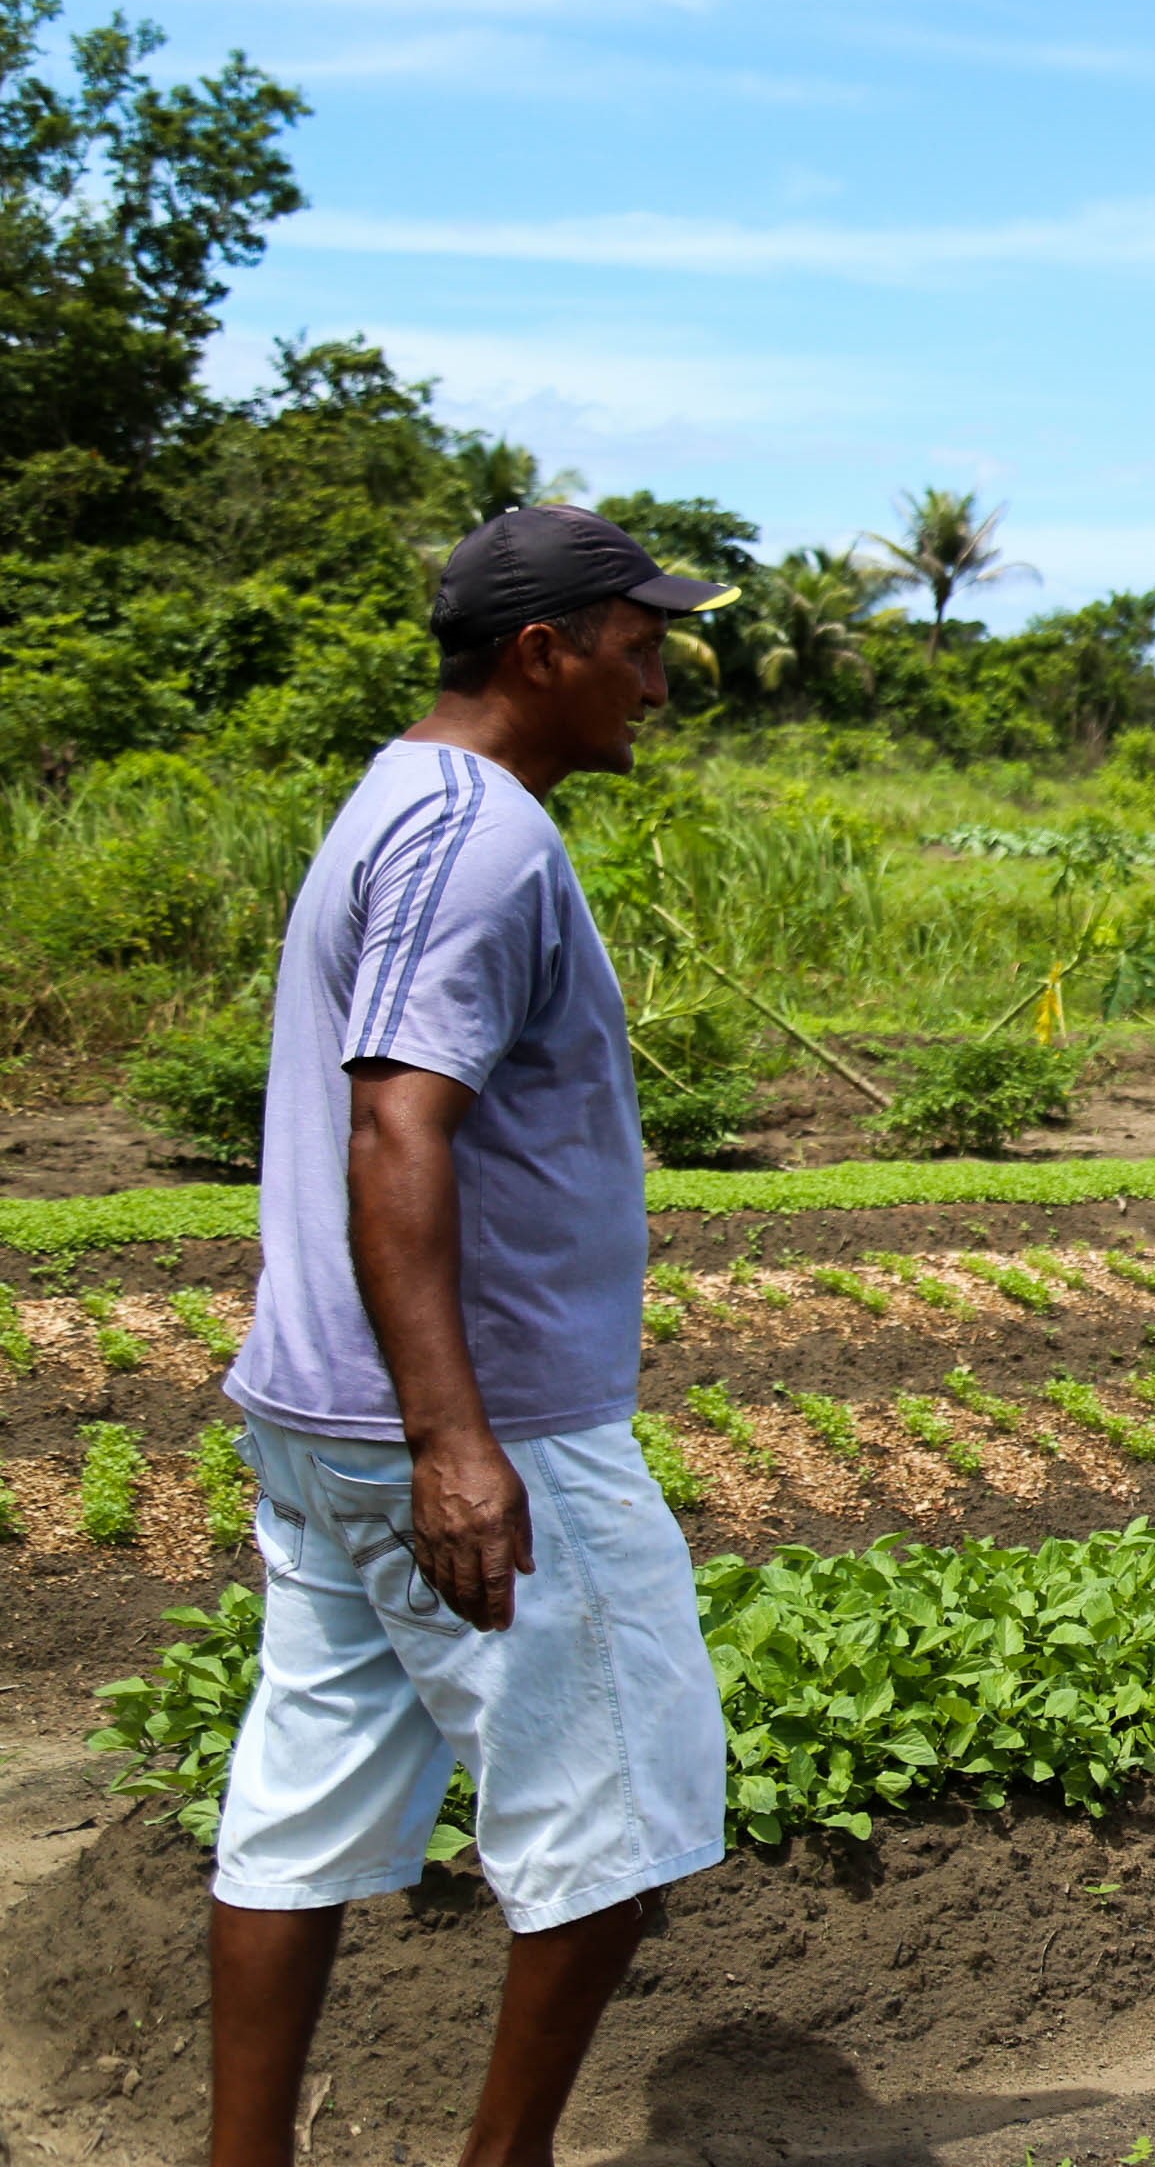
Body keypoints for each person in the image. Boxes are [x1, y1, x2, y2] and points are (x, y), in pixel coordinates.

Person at [208, 505, 740, 2167]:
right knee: (620, 1820)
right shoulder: (477, 838)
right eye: (637, 649)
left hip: (328, 1415)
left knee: (299, 1818)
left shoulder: (402, 800)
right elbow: (397, 1122)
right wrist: (454, 1439)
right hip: (476, 1424)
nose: (656, 685)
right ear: (543, 650)